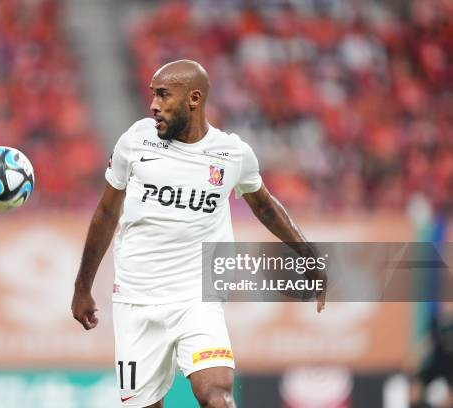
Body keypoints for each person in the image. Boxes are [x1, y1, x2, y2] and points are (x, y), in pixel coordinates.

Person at [71, 60, 325, 408]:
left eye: (163, 95)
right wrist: (82, 286)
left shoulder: (231, 154)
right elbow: (105, 213)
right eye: (152, 95)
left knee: (216, 396)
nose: (154, 105)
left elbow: (264, 205)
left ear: (193, 98)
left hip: (197, 298)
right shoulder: (135, 141)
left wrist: (309, 256)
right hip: (136, 299)